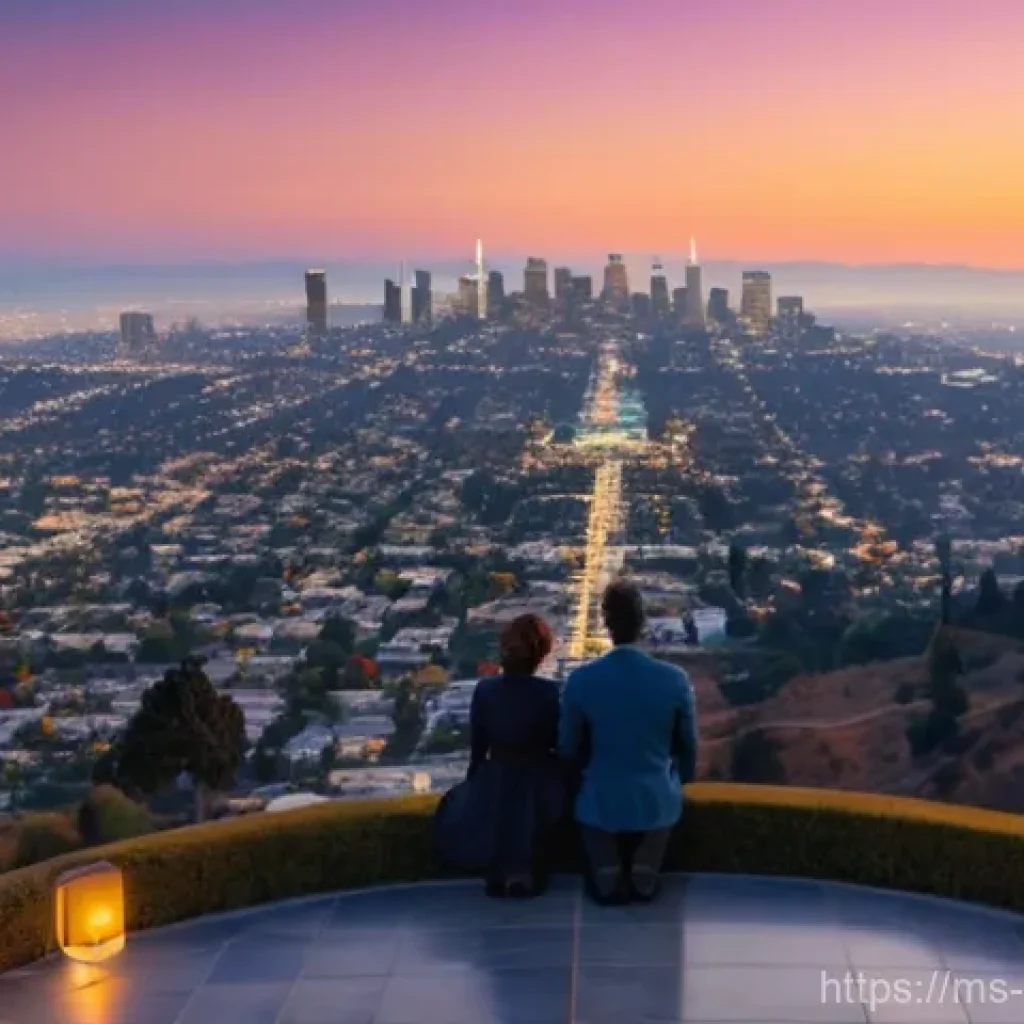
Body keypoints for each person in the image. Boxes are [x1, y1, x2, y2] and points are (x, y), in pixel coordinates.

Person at [559, 580, 698, 904]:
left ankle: (608, 873)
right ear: (643, 622)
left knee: (602, 875)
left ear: (606, 623)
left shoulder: (582, 680)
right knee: (659, 821)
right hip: (656, 800)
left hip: (598, 800)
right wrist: (682, 780)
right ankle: (644, 870)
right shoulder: (674, 679)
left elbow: (567, 749)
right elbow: (688, 746)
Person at [434, 613, 564, 899]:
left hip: (496, 772)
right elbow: (556, 741)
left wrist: (474, 784)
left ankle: (501, 873)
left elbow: (478, 746)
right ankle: (523, 874)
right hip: (536, 775)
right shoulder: (547, 692)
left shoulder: (486, 690)